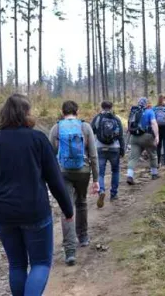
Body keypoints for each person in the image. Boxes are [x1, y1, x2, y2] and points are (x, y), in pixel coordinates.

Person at [0, 94, 73, 296]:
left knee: (16, 265)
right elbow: (55, 179)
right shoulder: (38, 138)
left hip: (3, 214)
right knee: (40, 263)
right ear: (26, 113)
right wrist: (68, 209)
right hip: (34, 211)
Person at [49, 100, 99, 266]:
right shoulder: (85, 127)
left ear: (62, 111)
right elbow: (93, 155)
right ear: (77, 111)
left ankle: (70, 251)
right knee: (82, 202)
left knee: (67, 208)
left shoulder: (56, 128)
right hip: (83, 171)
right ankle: (83, 237)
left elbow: (50, 155)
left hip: (63, 172)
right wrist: (96, 179)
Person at [91, 101, 125, 208]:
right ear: (111, 107)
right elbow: (120, 136)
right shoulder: (116, 119)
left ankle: (101, 190)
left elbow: (91, 133)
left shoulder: (97, 118)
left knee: (100, 173)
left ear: (101, 107)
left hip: (100, 148)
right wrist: (122, 149)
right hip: (114, 148)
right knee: (115, 170)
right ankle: (113, 194)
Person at [126, 97, 159, 185]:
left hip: (134, 137)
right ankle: (154, 173)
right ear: (146, 104)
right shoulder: (149, 111)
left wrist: (127, 139)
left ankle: (130, 175)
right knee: (153, 154)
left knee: (133, 157)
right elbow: (153, 123)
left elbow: (129, 126)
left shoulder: (134, 112)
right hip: (147, 137)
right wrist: (157, 136)